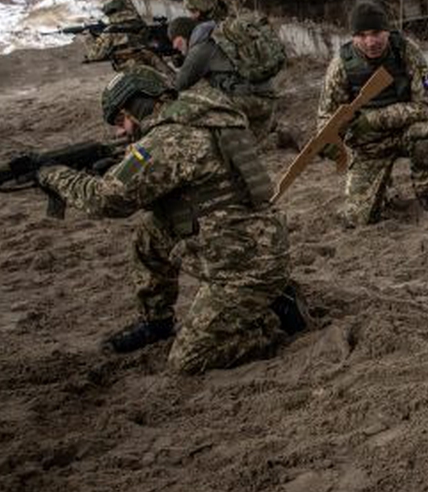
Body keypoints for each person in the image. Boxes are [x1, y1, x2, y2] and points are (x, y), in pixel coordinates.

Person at [38, 66, 294, 375]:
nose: (120, 132)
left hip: (243, 264)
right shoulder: (200, 111)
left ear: (140, 105)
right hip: (251, 241)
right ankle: (156, 322)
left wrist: (54, 175)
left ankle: (270, 320)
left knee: (188, 360)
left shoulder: (168, 137)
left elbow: (106, 200)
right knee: (152, 233)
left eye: (121, 120)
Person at [316, 1, 428, 225]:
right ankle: (384, 190)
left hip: (406, 132)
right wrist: (329, 141)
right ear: (353, 37)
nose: (370, 42)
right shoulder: (341, 65)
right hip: (368, 147)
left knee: (426, 135)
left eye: (376, 33)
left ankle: (427, 197)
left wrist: (373, 119)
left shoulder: (405, 51)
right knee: (359, 218)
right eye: (362, 35)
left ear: (387, 31)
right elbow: (326, 114)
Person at [170, 0, 274, 140]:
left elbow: (179, 85)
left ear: (199, 11)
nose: (191, 16)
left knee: (196, 108)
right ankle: (271, 133)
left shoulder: (204, 42)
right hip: (266, 94)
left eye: (192, 12)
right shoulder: (228, 27)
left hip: (250, 99)